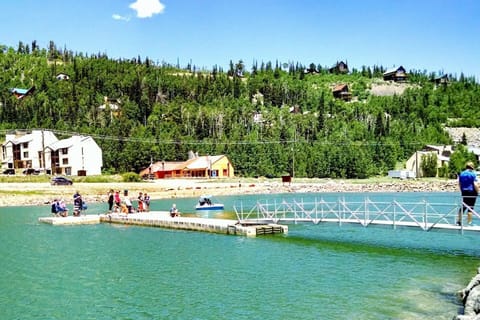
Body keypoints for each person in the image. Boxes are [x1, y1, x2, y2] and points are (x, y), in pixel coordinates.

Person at [457, 161, 479, 226]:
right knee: (470, 207)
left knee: (463, 206)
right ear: (472, 167)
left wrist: (462, 191)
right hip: (472, 192)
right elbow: (475, 184)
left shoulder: (461, 174)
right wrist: (478, 192)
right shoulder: (473, 174)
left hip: (464, 192)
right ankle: (469, 223)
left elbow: (460, 184)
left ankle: (459, 221)